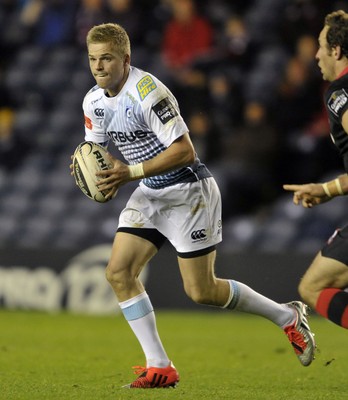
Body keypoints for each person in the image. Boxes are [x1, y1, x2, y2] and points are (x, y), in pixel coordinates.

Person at [74, 23, 315, 389]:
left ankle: (286, 316)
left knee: (202, 291)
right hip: (150, 192)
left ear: (126, 58)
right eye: (93, 59)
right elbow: (96, 154)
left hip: (189, 191)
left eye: (106, 58)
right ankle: (160, 366)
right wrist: (96, 175)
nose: (99, 67)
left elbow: (186, 150)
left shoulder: (147, 92)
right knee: (118, 273)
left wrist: (129, 172)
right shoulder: (93, 100)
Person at [284, 10, 348, 330]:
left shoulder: (342, 94)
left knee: (313, 287)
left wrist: (326, 189)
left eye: (322, 46)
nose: (316, 54)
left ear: (336, 51)